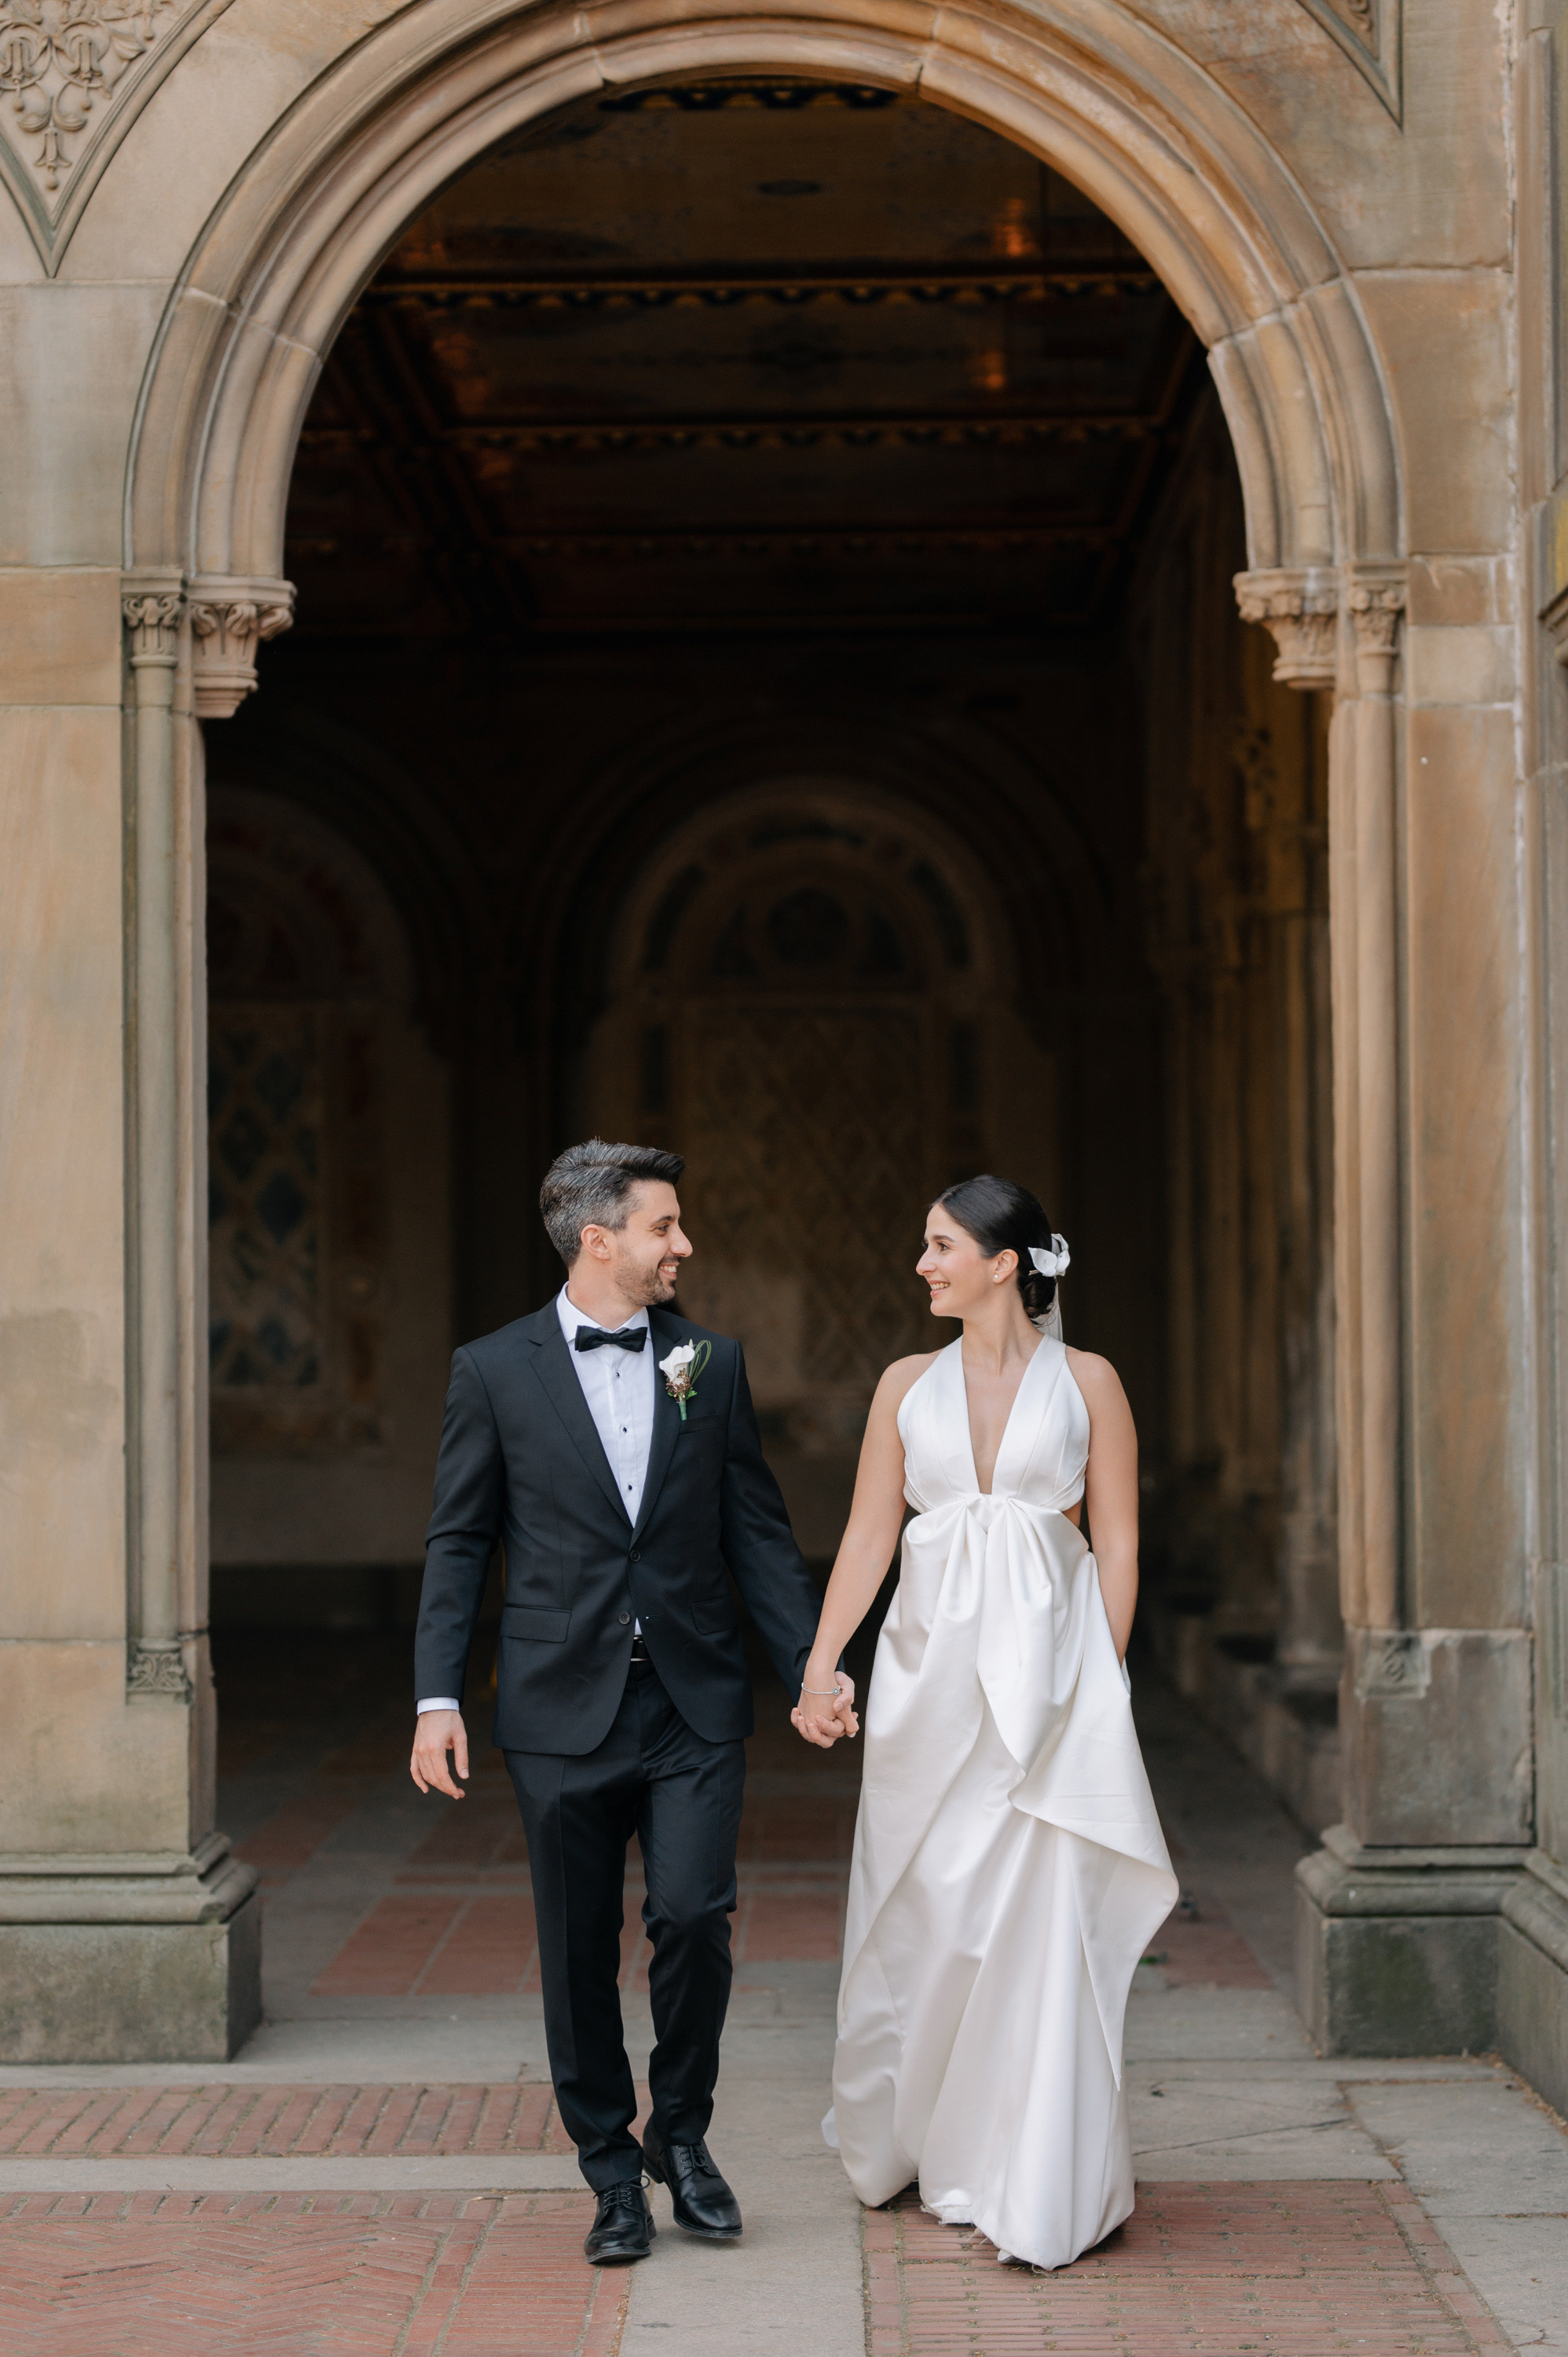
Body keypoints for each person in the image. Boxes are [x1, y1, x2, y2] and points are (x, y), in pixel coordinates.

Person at [410, 1140, 852, 2264]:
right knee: (573, 1949)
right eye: (666, 1227)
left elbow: (756, 1530)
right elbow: (461, 1540)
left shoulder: (711, 1361)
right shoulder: (492, 1370)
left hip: (694, 1700)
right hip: (558, 1707)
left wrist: (812, 1665)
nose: (684, 1246)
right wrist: (435, 1697)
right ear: (598, 1239)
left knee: (696, 1916)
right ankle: (611, 2172)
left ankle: (686, 2138)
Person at [793, 1175, 1177, 2270]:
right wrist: (824, 1666)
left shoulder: (1090, 1381)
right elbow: (869, 1538)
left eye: (941, 1245)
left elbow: (1119, 1544)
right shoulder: (903, 1386)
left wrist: (1095, 1690)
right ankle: (912, 2131)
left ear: (1005, 1263)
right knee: (928, 1907)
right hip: (926, 1688)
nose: (923, 1265)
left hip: (1050, 1691)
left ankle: (1032, 2161)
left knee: (1035, 1916)